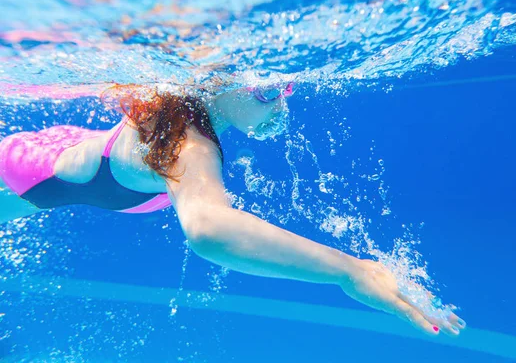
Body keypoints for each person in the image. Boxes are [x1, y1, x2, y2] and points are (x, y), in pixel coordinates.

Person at [0, 79, 466, 336]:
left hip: (77, 161)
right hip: (32, 170)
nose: (278, 104)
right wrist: (350, 272)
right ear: (221, 85)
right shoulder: (189, 140)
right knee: (18, 207)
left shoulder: (192, 120)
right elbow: (208, 229)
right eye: (267, 91)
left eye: (282, 92)